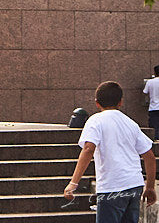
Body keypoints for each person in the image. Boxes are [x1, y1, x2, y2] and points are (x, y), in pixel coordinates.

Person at [65, 81, 157, 223]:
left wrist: (73, 182)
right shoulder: (130, 123)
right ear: (120, 102)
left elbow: (89, 149)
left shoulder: (95, 120)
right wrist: (150, 187)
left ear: (97, 103)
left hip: (112, 186)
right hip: (134, 185)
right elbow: (149, 156)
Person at [143, 67, 159, 135]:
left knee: (154, 128)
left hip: (153, 107)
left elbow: (145, 92)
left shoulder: (150, 82)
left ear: (155, 73)